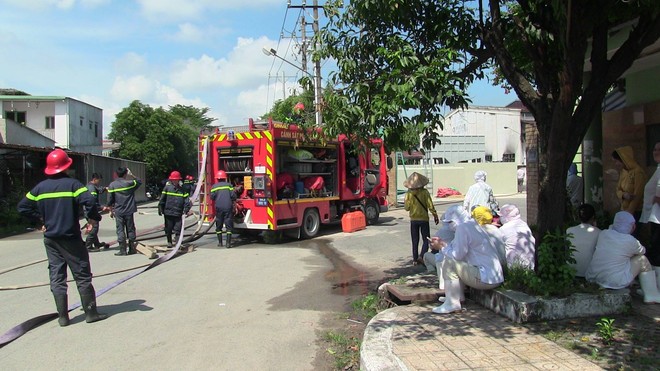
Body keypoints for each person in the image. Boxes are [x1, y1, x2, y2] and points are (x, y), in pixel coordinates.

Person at [17, 149, 107, 326]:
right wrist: (93, 219)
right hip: (70, 238)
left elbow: (23, 207)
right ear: (67, 166)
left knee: (57, 276)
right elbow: (89, 201)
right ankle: (91, 313)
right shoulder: (74, 185)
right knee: (82, 275)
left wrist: (39, 220)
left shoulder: (40, 188)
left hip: (51, 239)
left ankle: (63, 317)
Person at [430, 206, 504, 314]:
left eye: (450, 222)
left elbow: (457, 256)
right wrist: (443, 244)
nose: (449, 225)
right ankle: (457, 297)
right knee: (455, 262)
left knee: (449, 262)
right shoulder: (473, 225)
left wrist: (441, 247)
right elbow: (459, 250)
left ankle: (452, 303)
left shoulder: (462, 228)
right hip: (493, 276)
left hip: (485, 278)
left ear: (455, 221)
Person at [585, 211, 660, 304]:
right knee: (642, 259)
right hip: (615, 281)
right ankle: (651, 294)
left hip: (594, 276)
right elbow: (642, 251)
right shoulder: (630, 241)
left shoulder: (604, 234)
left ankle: (646, 289)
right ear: (632, 226)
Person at [403, 172, 439, 265]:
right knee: (426, 240)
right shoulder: (425, 192)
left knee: (415, 240)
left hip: (413, 220)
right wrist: (435, 215)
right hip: (424, 219)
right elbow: (430, 205)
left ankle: (415, 260)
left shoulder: (408, 194)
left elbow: (406, 208)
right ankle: (422, 256)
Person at [107, 166, 142, 256]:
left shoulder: (112, 185)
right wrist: (132, 175)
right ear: (125, 174)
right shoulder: (129, 183)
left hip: (119, 211)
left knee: (120, 230)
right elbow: (139, 181)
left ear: (116, 174)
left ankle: (122, 250)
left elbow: (109, 200)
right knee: (130, 229)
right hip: (129, 210)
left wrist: (110, 211)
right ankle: (132, 248)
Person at [640, 141, 660, 278]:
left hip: (658, 215)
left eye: (659, 149)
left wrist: (657, 198)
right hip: (655, 215)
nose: (656, 151)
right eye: (654, 149)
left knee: (656, 249)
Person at [158, 171, 192, 248]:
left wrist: (186, 209)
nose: (175, 181)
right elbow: (162, 199)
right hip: (168, 212)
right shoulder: (167, 188)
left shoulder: (183, 190)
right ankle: (169, 242)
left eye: (177, 180)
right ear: (171, 180)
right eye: (174, 180)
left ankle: (177, 243)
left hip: (178, 212)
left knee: (178, 229)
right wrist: (160, 207)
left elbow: (186, 201)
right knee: (168, 228)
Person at [566, 204, 601, 277]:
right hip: (590, 272)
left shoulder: (569, 230)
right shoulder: (599, 232)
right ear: (593, 217)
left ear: (578, 217)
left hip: (571, 271)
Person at [612, 146, 646, 219]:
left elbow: (638, 195)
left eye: (616, 161)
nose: (616, 164)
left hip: (635, 212)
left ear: (623, 159)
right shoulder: (623, 171)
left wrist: (629, 212)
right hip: (624, 210)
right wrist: (624, 195)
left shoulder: (638, 172)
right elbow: (618, 189)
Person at [498, 204, 536, 270]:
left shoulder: (503, 229)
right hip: (530, 265)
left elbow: (497, 247)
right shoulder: (524, 225)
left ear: (506, 217)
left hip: (514, 267)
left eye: (501, 216)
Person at [85, 172, 110, 252]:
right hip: (91, 211)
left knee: (94, 227)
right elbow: (93, 201)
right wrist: (101, 207)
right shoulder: (91, 188)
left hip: (90, 210)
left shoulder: (91, 186)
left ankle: (97, 244)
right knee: (94, 228)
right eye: (98, 181)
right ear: (94, 179)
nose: (99, 182)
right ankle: (88, 246)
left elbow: (99, 189)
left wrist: (105, 188)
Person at [210, 170, 236, 248]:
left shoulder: (214, 187)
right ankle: (228, 243)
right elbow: (233, 196)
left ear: (217, 178)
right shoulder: (229, 186)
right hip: (228, 207)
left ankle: (220, 243)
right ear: (225, 178)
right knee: (229, 226)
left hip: (219, 208)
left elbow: (212, 197)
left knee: (219, 225)